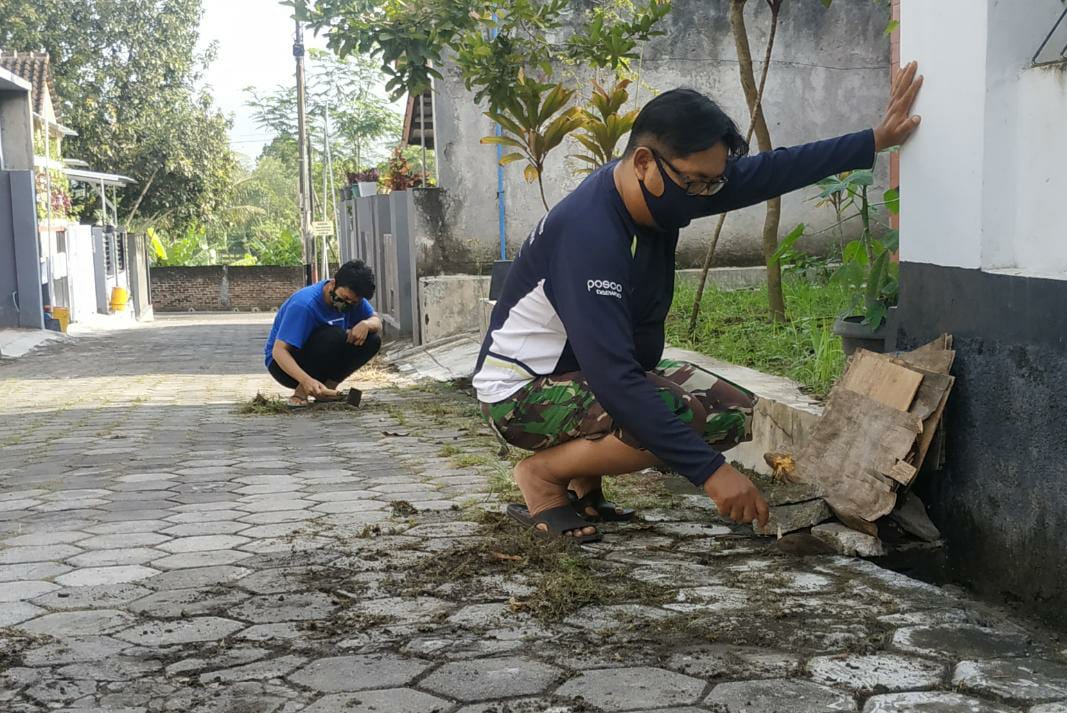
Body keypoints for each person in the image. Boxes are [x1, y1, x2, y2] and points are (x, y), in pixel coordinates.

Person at [474, 63, 925, 542]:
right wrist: (712, 474)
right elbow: (613, 378)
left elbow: (768, 172)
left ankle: (584, 482)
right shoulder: (590, 236)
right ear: (644, 161)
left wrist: (873, 140)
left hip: (577, 372)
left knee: (732, 410)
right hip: (520, 394)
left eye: (712, 183)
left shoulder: (667, 188)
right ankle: (542, 479)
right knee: (680, 413)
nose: (704, 196)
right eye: (695, 183)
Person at [265, 260, 383, 406]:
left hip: (323, 361)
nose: (348, 305)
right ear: (333, 284)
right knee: (334, 336)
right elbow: (279, 351)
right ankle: (301, 393)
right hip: (285, 366)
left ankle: (326, 389)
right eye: (345, 299)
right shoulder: (304, 305)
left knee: (372, 340)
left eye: (354, 302)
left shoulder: (353, 301)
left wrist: (366, 324)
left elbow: (376, 321)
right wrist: (305, 380)